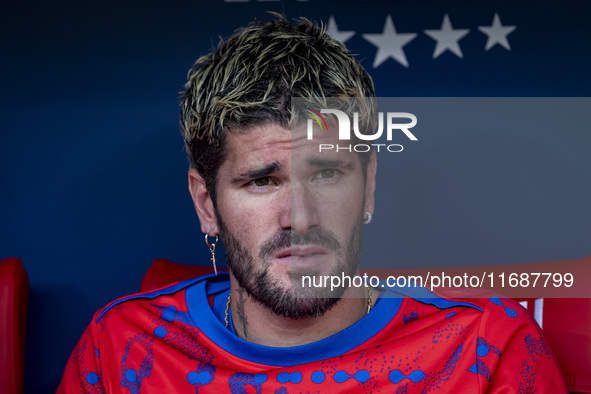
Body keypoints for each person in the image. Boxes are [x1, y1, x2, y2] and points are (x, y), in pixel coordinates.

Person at [58, 16, 567, 393]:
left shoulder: (482, 348)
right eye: (261, 181)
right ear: (206, 203)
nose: (299, 218)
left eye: (327, 174)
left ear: (367, 187)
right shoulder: (122, 350)